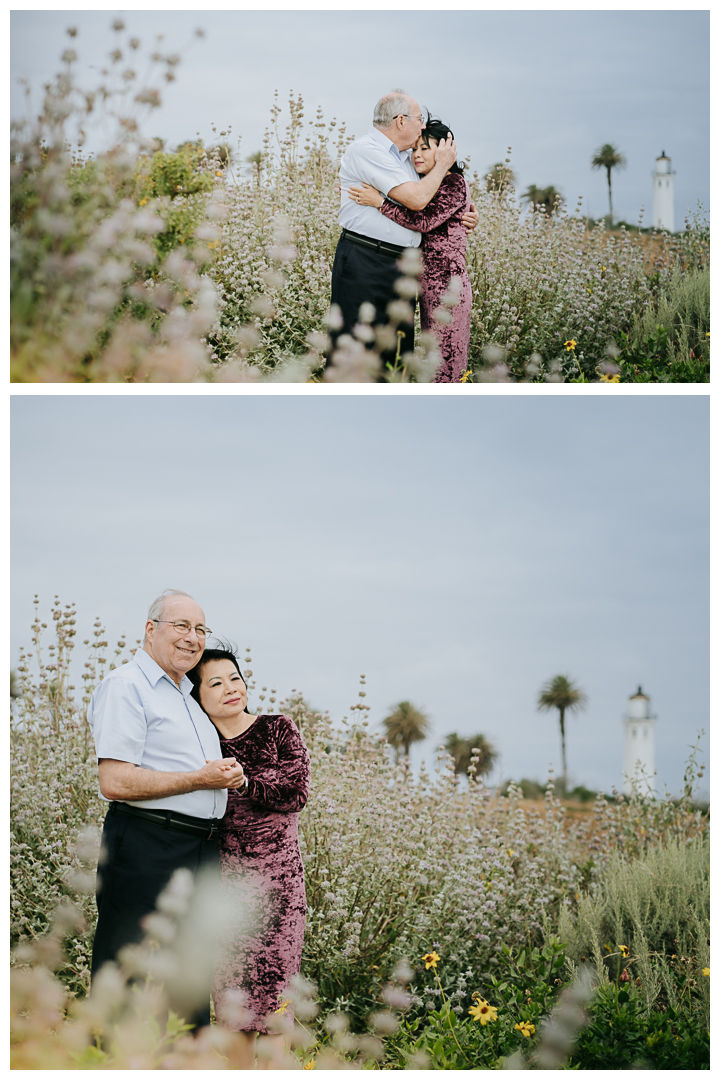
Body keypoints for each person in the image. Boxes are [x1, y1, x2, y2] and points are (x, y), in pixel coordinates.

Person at [87, 590, 247, 1029]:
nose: (192, 638)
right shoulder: (126, 687)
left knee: (188, 985)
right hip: (147, 843)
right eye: (181, 626)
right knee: (127, 974)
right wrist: (200, 780)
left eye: (200, 629)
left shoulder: (187, 696)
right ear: (150, 629)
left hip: (199, 850)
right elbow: (115, 781)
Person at [187, 645, 310, 1071]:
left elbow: (296, 791)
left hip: (281, 890)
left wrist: (242, 780)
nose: (230, 688)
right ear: (198, 696)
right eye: (215, 683)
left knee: (276, 1004)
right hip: (227, 895)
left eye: (234, 678)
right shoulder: (197, 745)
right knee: (233, 1005)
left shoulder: (277, 728)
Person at [329, 89, 478, 376]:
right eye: (419, 119)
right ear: (400, 121)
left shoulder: (407, 158)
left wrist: (465, 213)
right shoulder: (367, 150)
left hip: (404, 268)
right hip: (366, 259)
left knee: (394, 358)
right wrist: (444, 165)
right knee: (356, 352)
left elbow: (442, 194)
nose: (422, 125)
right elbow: (417, 201)